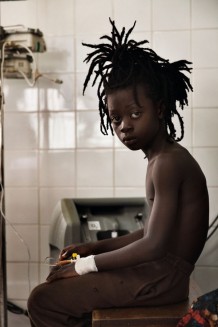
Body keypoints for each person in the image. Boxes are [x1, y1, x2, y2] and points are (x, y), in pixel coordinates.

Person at [27, 19, 209, 327]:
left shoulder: (168, 162)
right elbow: (150, 234)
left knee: (42, 300)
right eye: (115, 118)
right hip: (161, 273)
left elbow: (154, 246)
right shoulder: (161, 158)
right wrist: (92, 248)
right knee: (56, 291)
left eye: (135, 113)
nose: (125, 125)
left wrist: (85, 266)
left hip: (162, 277)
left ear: (161, 109)